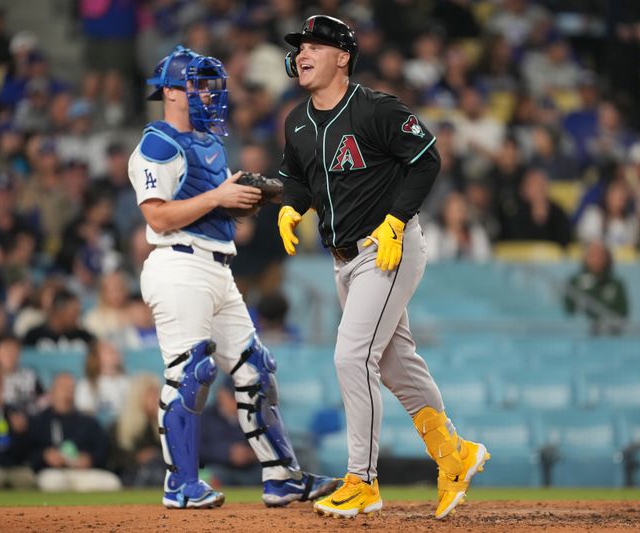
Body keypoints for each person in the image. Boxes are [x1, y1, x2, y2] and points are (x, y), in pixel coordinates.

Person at [277, 16, 490, 520]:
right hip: (344, 261)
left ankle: (363, 480)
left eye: (315, 45)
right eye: (300, 46)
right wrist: (292, 206)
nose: (303, 53)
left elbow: (427, 158)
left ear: (342, 57)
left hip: (386, 248)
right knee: (396, 364)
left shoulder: (375, 109)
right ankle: (454, 455)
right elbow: (298, 178)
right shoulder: (297, 121)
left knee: (352, 357)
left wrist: (395, 222)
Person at [128, 45, 337, 510]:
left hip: (219, 267)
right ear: (169, 92)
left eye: (209, 84)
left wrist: (248, 198)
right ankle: (180, 484)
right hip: (178, 264)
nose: (207, 93)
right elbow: (159, 217)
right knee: (190, 374)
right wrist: (220, 195)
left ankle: (282, 476)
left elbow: (212, 206)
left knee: (256, 370)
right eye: (197, 84)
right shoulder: (157, 143)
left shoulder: (208, 144)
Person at [28, 373, 122, 492]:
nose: (67, 392)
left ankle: (90, 510)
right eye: (62, 388)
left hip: (82, 473)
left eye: (71, 388)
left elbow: (103, 451)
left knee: (111, 482)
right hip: (53, 472)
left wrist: (90, 459)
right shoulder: (39, 421)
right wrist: (44, 455)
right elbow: (27, 453)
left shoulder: (88, 421)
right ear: (51, 392)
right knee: (52, 482)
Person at [0, 360, 36, 489]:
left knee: (26, 479)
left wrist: (20, 433)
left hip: (8, 466)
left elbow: (23, 452)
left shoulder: (11, 411)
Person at [200, 379, 261, 487]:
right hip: (218, 468)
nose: (238, 402)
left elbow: (266, 444)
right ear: (221, 394)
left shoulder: (254, 417)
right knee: (210, 475)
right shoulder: (205, 417)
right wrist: (227, 453)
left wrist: (250, 454)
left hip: (250, 470)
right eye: (234, 397)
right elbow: (198, 449)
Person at [107, 373, 164, 487]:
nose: (156, 398)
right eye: (151, 394)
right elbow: (113, 460)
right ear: (137, 397)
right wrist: (137, 457)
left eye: (157, 393)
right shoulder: (119, 427)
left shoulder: (164, 426)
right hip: (131, 476)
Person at [564, 240, 629, 336]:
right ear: (585, 258)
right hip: (582, 335)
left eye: (600, 254)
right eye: (592, 254)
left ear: (607, 257)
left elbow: (623, 312)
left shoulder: (616, 284)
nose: (596, 258)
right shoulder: (575, 281)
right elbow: (569, 310)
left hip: (610, 334)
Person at [74, 339, 131, 425]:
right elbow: (85, 413)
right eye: (109, 351)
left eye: (115, 351)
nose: (114, 354)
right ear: (96, 357)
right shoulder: (85, 385)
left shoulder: (127, 382)